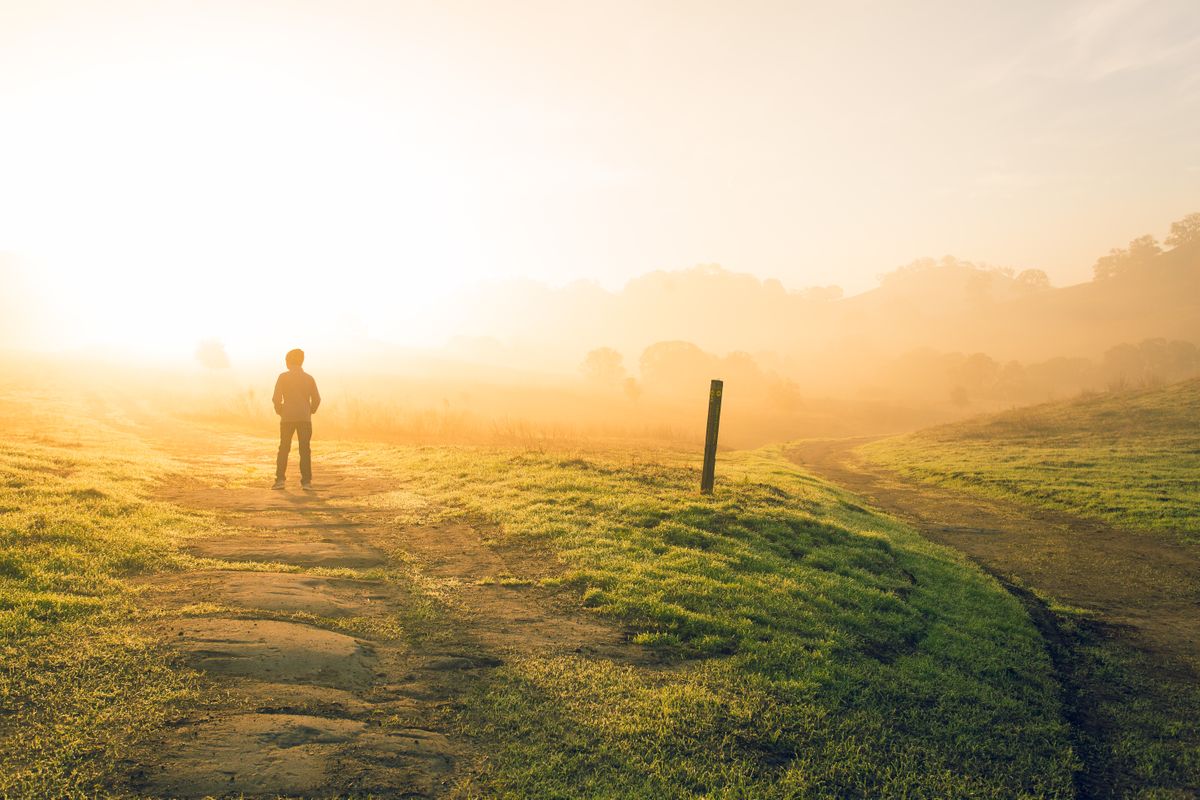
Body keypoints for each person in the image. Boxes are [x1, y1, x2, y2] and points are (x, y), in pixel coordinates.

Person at [272, 348, 321, 490]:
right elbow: (317, 399)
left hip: (287, 418)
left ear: (288, 362)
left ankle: (280, 480)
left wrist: (280, 410)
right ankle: (306, 482)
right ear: (302, 361)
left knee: (284, 448)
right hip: (304, 419)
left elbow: (276, 398)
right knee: (304, 449)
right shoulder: (309, 378)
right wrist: (309, 411)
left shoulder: (283, 377)